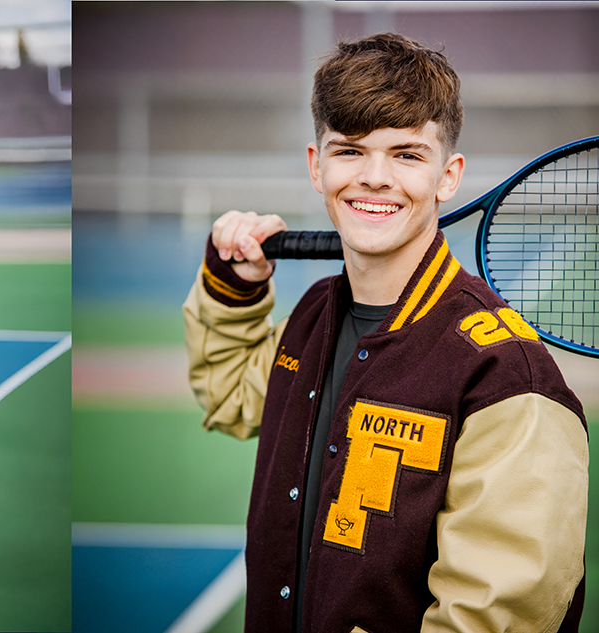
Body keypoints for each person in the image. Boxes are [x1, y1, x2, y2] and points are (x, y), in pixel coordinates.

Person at [183, 33, 588, 632]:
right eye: (350, 151)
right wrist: (234, 288)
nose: (374, 177)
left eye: (406, 154)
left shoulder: (506, 375)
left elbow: (493, 617)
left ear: (447, 176)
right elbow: (230, 397)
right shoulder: (315, 316)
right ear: (317, 167)